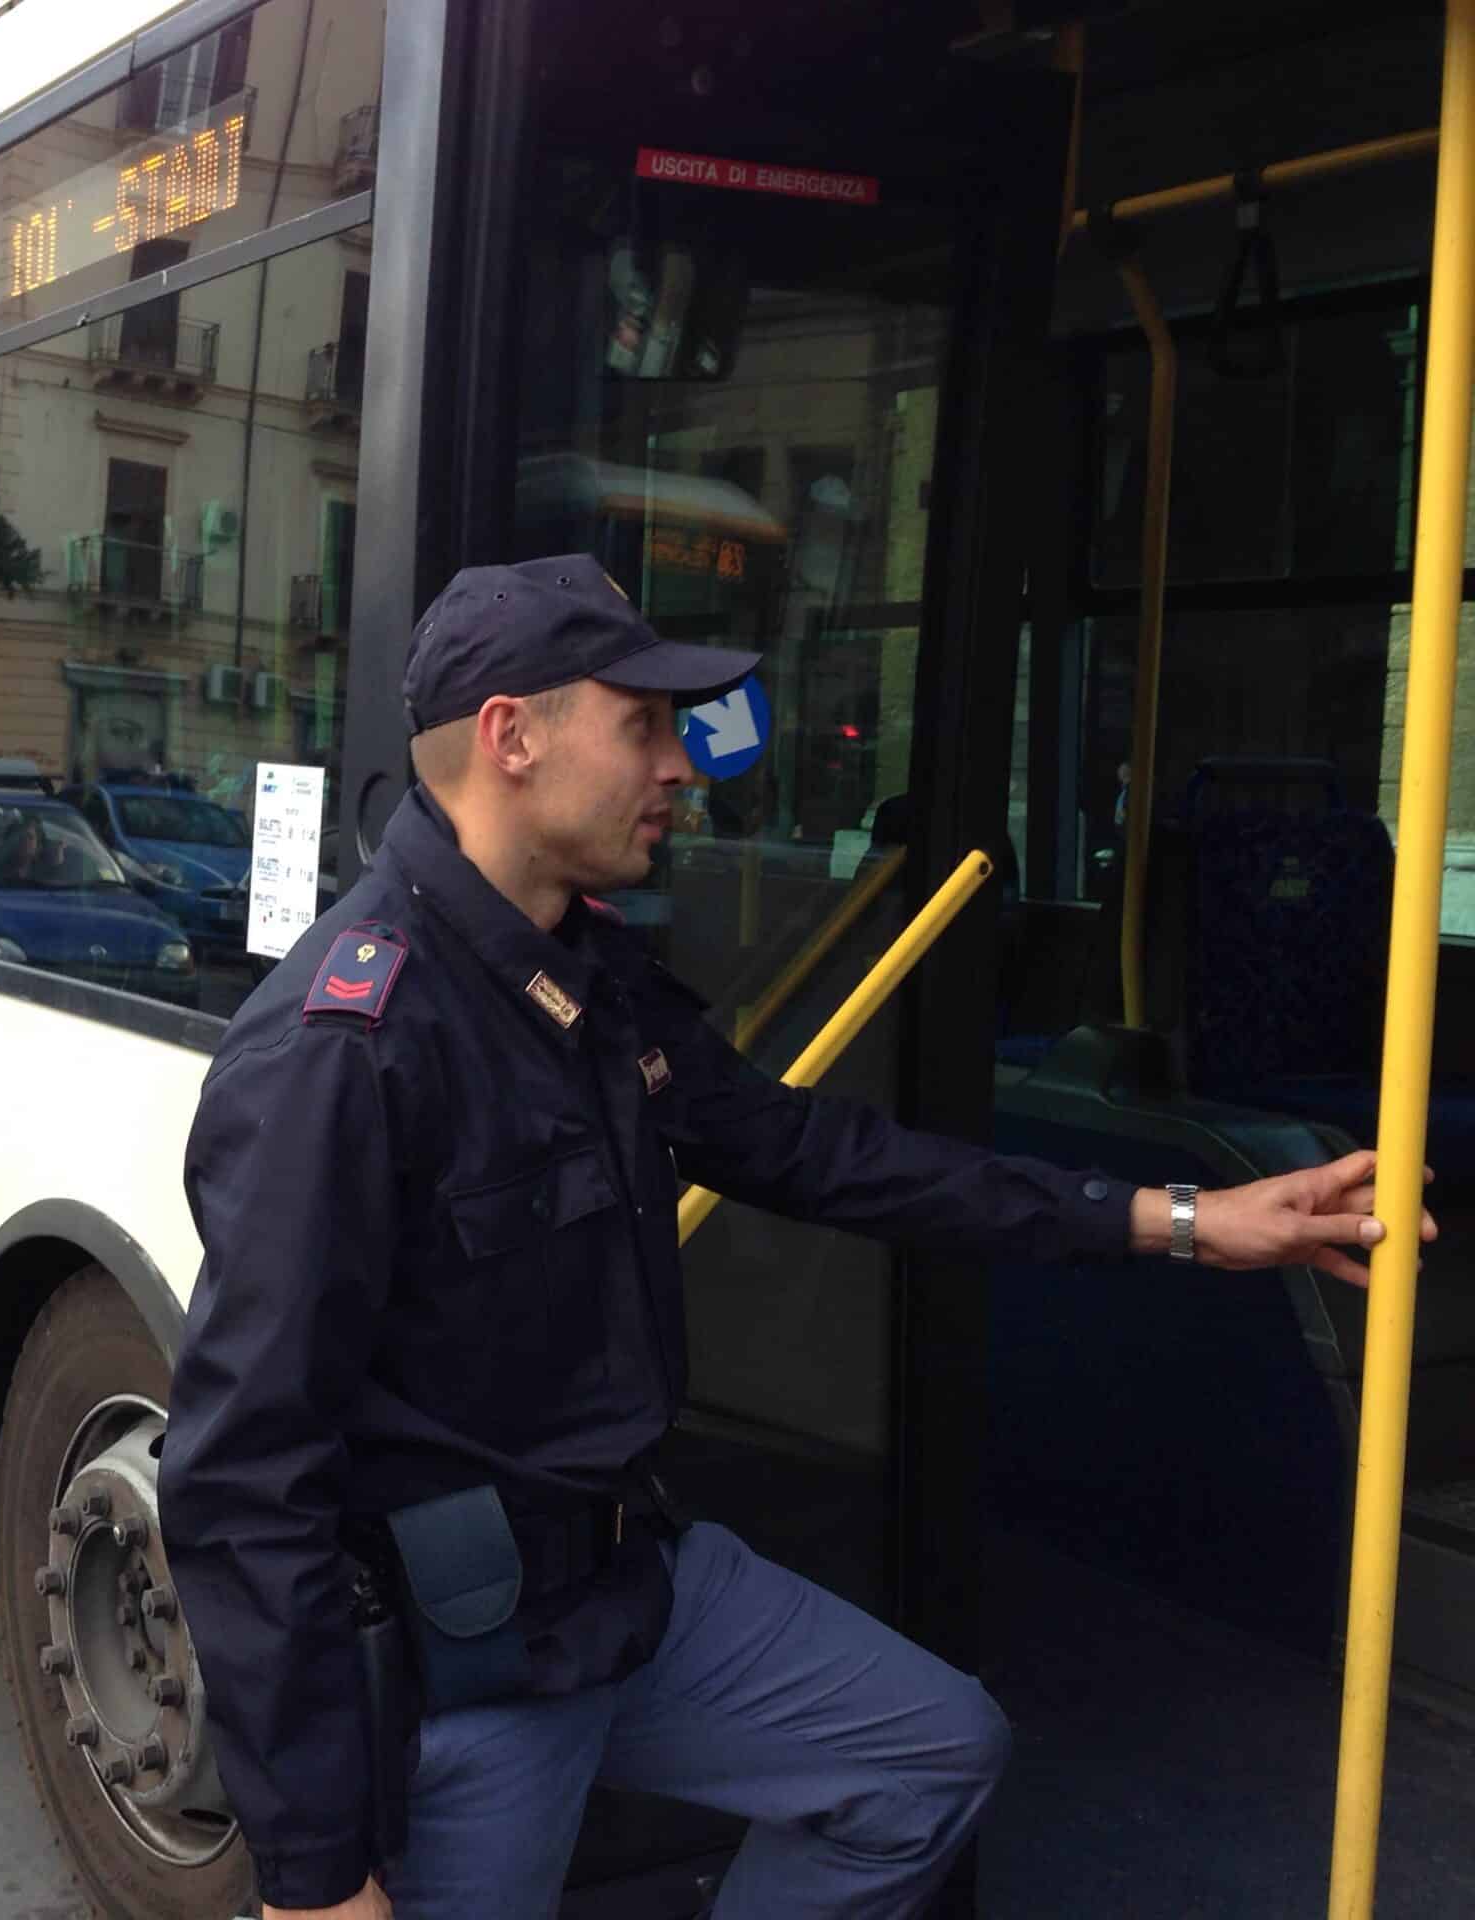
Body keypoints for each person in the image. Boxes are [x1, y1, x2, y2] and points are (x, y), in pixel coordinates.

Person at [157, 555, 1437, 1920]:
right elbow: (242, 1476)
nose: (680, 766)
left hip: (632, 1598)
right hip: (468, 1675)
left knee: (929, 1756)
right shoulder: (344, 1049)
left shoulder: (585, 977)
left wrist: (1176, 1216)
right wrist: (314, 1875)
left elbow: (818, 1154)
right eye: (641, 724)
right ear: (510, 738)